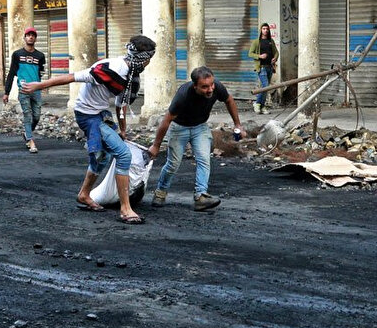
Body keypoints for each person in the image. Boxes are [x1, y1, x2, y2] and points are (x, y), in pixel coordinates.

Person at [23, 35, 157, 225]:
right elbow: (71, 77)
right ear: (143, 59)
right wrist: (39, 86)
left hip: (100, 114)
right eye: (149, 58)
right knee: (124, 155)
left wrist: (123, 129)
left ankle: (84, 194)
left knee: (103, 156)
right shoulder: (109, 68)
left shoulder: (131, 77)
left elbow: (121, 105)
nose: (150, 62)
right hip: (87, 116)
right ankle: (126, 209)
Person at [148, 67, 245, 211]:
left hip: (200, 127)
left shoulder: (217, 87)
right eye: (205, 87)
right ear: (195, 86)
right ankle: (160, 192)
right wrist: (156, 145)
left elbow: (229, 100)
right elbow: (166, 121)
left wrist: (238, 124)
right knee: (173, 163)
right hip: (179, 128)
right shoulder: (183, 95)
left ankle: (201, 196)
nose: (210, 89)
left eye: (211, 85)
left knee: (204, 160)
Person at [3, 26, 46, 153]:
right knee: (28, 115)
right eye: (28, 35)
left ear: (36, 38)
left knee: (36, 116)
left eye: (33, 35)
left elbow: (41, 73)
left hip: (36, 90)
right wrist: (6, 93)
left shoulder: (40, 56)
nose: (31, 37)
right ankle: (31, 141)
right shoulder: (17, 55)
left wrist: (40, 85)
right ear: (25, 38)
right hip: (23, 90)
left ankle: (27, 134)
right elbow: (11, 74)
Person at [248, 22, 279, 114]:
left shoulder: (270, 41)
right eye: (263, 29)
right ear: (261, 30)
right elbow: (250, 53)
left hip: (270, 67)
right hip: (261, 68)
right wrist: (260, 56)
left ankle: (262, 106)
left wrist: (275, 58)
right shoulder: (256, 42)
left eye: (267, 29)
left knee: (265, 87)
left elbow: (276, 52)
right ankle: (257, 104)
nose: (265, 30)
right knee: (265, 86)